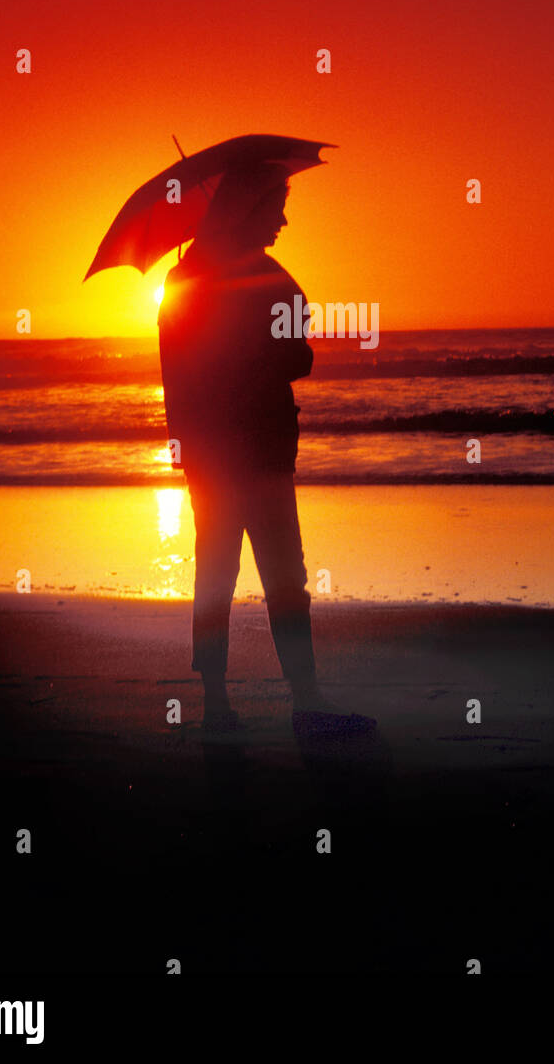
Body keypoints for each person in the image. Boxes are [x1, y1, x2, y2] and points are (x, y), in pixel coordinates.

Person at [158, 160, 375, 737]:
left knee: (218, 572)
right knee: (283, 573)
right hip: (258, 446)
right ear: (249, 208)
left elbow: (175, 376)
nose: (283, 219)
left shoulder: (185, 278)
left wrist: (182, 445)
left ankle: (216, 700)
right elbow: (296, 357)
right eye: (276, 206)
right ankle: (304, 696)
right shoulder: (263, 275)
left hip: (214, 451)